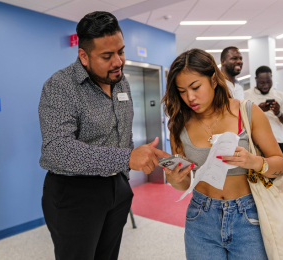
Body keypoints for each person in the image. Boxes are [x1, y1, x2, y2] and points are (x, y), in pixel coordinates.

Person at [38, 11, 170, 260]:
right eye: (107, 56)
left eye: (120, 51)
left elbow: (123, 132)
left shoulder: (122, 83)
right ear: (84, 56)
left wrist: (132, 166)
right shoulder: (60, 87)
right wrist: (127, 158)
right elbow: (58, 150)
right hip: (75, 193)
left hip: (117, 189)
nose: (118, 62)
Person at [162, 49, 283, 260]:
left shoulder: (248, 111)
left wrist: (254, 161)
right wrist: (174, 178)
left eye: (195, 87)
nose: (189, 97)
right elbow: (184, 184)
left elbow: (280, 165)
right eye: (182, 91)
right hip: (201, 218)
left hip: (249, 217)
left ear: (213, 79)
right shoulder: (178, 123)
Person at [244, 66, 283, 165]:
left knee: (281, 178)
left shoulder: (280, 95)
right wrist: (258, 110)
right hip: (255, 144)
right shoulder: (246, 95)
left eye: (268, 82)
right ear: (256, 79)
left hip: (278, 142)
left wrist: (278, 112)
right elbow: (240, 119)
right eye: (262, 83)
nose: (266, 85)